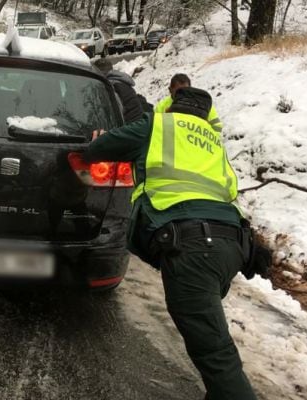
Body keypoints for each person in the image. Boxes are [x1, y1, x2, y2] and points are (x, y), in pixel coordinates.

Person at [84, 87, 257, 400]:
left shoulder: (158, 126)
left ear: (173, 105)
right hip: (232, 244)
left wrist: (97, 140)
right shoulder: (214, 141)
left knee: (216, 353)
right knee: (210, 337)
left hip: (192, 247)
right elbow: (229, 191)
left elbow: (99, 150)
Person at [155, 73, 223, 132]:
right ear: (170, 90)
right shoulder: (161, 106)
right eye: (179, 92)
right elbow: (155, 127)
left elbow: (217, 127)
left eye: (186, 91)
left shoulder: (203, 105)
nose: (182, 95)